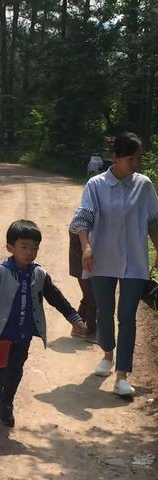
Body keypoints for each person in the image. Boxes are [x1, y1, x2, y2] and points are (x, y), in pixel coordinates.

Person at [0, 220, 87, 427]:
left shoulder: (39, 274)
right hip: (2, 333)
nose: (30, 252)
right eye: (24, 247)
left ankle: (7, 405)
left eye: (34, 248)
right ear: (11, 248)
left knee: (16, 369)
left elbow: (56, 297)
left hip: (24, 334)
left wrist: (73, 316)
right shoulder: (0, 272)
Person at [70, 132, 158, 397]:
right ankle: (107, 353)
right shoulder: (96, 185)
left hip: (135, 260)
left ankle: (122, 375)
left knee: (127, 316)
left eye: (138, 159)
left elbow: (153, 221)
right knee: (104, 312)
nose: (135, 164)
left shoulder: (144, 185)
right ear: (115, 157)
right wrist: (86, 246)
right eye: (130, 159)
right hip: (102, 259)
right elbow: (83, 217)